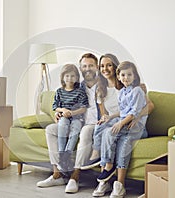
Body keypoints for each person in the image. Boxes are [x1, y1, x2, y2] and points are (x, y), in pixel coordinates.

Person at [36, 53, 100, 193]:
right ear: (81, 69)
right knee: (51, 129)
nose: (87, 69)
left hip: (93, 124)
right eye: (84, 66)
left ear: (97, 67)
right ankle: (57, 173)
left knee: (84, 132)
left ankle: (74, 177)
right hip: (74, 120)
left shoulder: (104, 85)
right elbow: (63, 102)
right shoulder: (79, 86)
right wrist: (58, 114)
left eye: (91, 66)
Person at [96, 61, 149, 198]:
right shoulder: (122, 92)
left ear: (134, 76)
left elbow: (134, 113)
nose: (126, 78)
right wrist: (111, 116)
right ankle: (119, 185)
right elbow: (123, 111)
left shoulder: (137, 90)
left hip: (136, 127)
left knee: (109, 131)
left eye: (129, 75)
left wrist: (119, 124)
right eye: (123, 75)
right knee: (122, 141)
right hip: (126, 126)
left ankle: (108, 165)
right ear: (118, 76)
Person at [52, 64, 88, 171]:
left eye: (72, 76)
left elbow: (83, 108)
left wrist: (72, 113)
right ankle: (62, 153)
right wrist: (63, 110)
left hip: (76, 117)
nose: (70, 79)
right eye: (67, 76)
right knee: (62, 124)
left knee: (76, 126)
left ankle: (68, 153)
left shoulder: (80, 91)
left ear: (77, 78)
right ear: (63, 77)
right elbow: (55, 107)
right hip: (64, 116)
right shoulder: (59, 91)